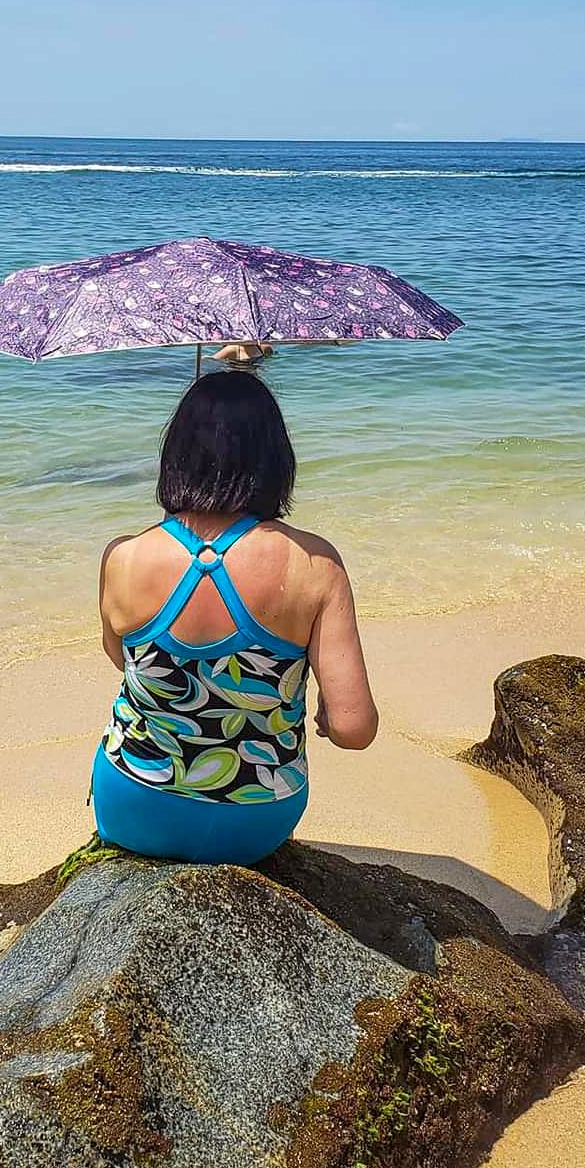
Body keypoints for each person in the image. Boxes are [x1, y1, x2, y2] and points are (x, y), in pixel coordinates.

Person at [93, 370, 377, 866]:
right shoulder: (315, 565)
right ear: (275, 459)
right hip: (258, 820)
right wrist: (328, 716)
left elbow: (122, 660)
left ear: (175, 455)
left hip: (138, 805)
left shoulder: (124, 557)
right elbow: (355, 729)